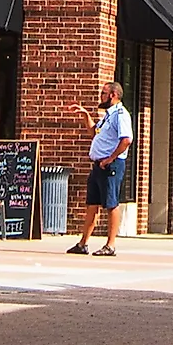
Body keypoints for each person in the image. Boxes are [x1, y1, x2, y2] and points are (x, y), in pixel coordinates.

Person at [69, 80, 132, 256]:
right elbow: (94, 132)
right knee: (92, 204)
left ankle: (110, 245)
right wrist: (85, 116)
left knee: (111, 204)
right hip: (98, 165)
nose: (101, 96)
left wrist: (110, 159)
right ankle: (83, 243)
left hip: (110, 165)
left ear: (113, 95)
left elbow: (126, 140)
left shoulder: (121, 114)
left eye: (104, 93)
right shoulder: (108, 115)